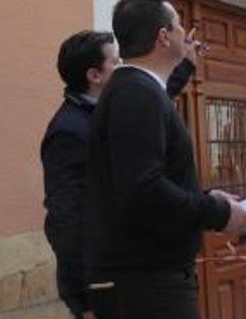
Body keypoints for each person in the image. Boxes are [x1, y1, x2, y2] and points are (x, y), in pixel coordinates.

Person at [85, 0, 246, 318]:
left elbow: (146, 181)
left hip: (150, 279)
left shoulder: (141, 90)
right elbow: (143, 191)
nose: (185, 32)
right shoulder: (135, 93)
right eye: (178, 24)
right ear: (163, 37)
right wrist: (218, 212)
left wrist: (204, 196)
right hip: (147, 285)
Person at [40, 30, 198, 319]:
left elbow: (155, 98)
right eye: (117, 61)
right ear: (95, 75)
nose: (127, 67)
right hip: (109, 287)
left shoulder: (116, 108)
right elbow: (66, 216)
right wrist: (81, 299)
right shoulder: (69, 131)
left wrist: (185, 63)